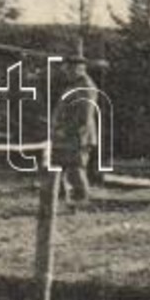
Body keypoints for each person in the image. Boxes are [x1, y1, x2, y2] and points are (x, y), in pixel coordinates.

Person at [52, 59, 101, 204]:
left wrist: (66, 131)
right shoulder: (75, 85)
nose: (66, 73)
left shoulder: (86, 87)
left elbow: (84, 116)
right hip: (66, 135)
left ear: (79, 69)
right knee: (60, 166)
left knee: (76, 168)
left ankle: (81, 200)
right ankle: (62, 198)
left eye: (69, 70)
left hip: (78, 135)